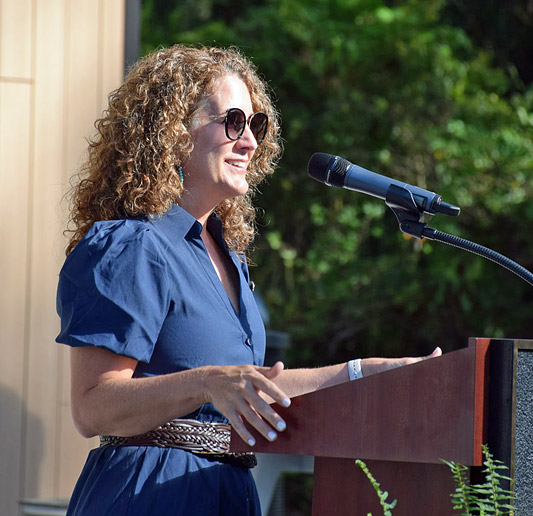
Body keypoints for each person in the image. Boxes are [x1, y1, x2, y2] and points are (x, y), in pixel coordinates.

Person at [56, 44, 442, 515]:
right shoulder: (132, 245)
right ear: (175, 132)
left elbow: (251, 389)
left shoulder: (228, 256)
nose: (250, 142)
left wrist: (362, 375)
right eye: (233, 122)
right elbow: (92, 406)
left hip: (229, 492)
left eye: (255, 126)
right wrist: (206, 382)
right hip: (150, 494)